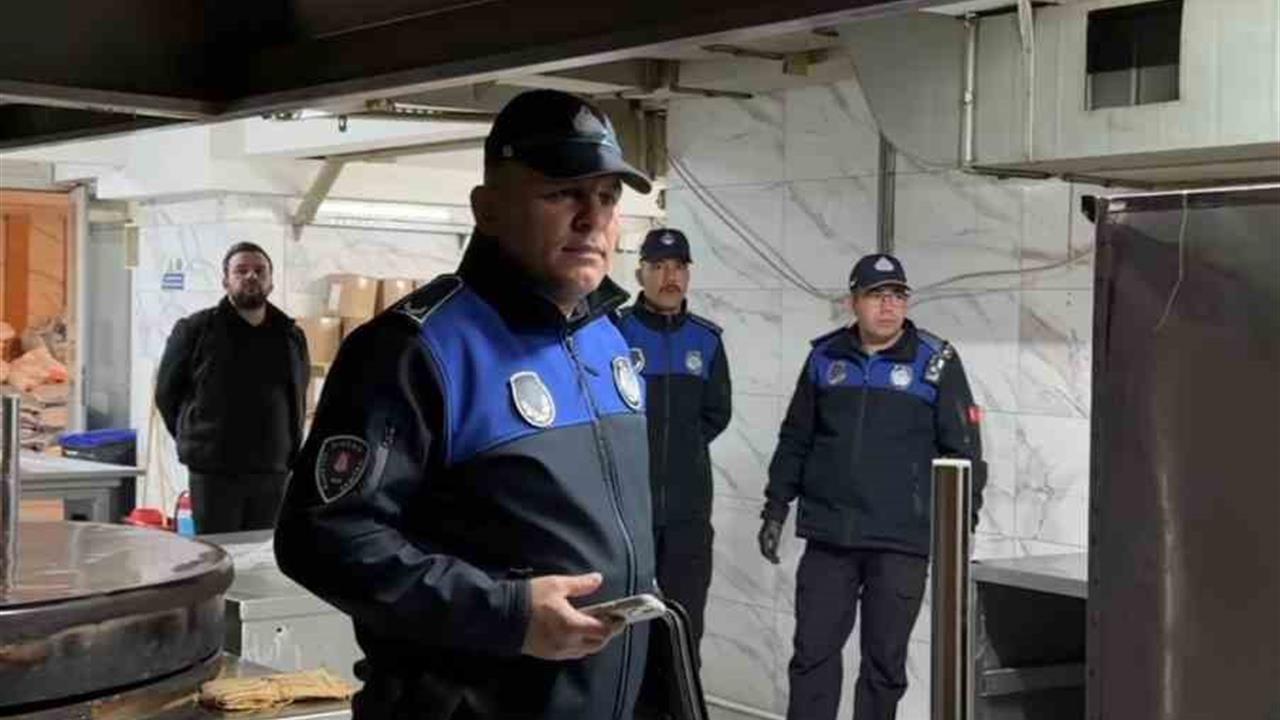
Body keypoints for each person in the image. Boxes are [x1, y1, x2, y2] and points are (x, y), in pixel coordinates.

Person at [274, 89, 659, 720]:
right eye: (563, 193)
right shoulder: (413, 350)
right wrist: (505, 614)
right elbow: (321, 536)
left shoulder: (608, 338)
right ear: (488, 209)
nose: (593, 219)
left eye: (608, 197)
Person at [759, 253, 986, 720]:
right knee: (812, 657)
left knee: (884, 665)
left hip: (900, 542)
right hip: (831, 537)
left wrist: (962, 526)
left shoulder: (935, 362)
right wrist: (776, 507)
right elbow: (796, 438)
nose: (888, 306)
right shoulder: (824, 358)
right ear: (853, 302)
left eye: (897, 296)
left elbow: (963, 453)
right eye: (877, 295)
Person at [615, 227, 731, 660]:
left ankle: (678, 695)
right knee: (625, 630)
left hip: (688, 513)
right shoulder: (615, 333)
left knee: (684, 625)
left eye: (679, 267)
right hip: (628, 512)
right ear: (640, 273)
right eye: (659, 266)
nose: (670, 276)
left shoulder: (706, 340)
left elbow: (717, 413)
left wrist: (682, 452)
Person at [155, 241, 309, 534]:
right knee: (219, 550)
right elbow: (166, 394)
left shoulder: (290, 334)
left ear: (271, 282)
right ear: (226, 281)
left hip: (273, 468)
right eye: (241, 270)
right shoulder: (196, 330)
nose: (251, 276)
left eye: (260, 271)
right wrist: (195, 436)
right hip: (215, 471)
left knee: (262, 552)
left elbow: (298, 393)